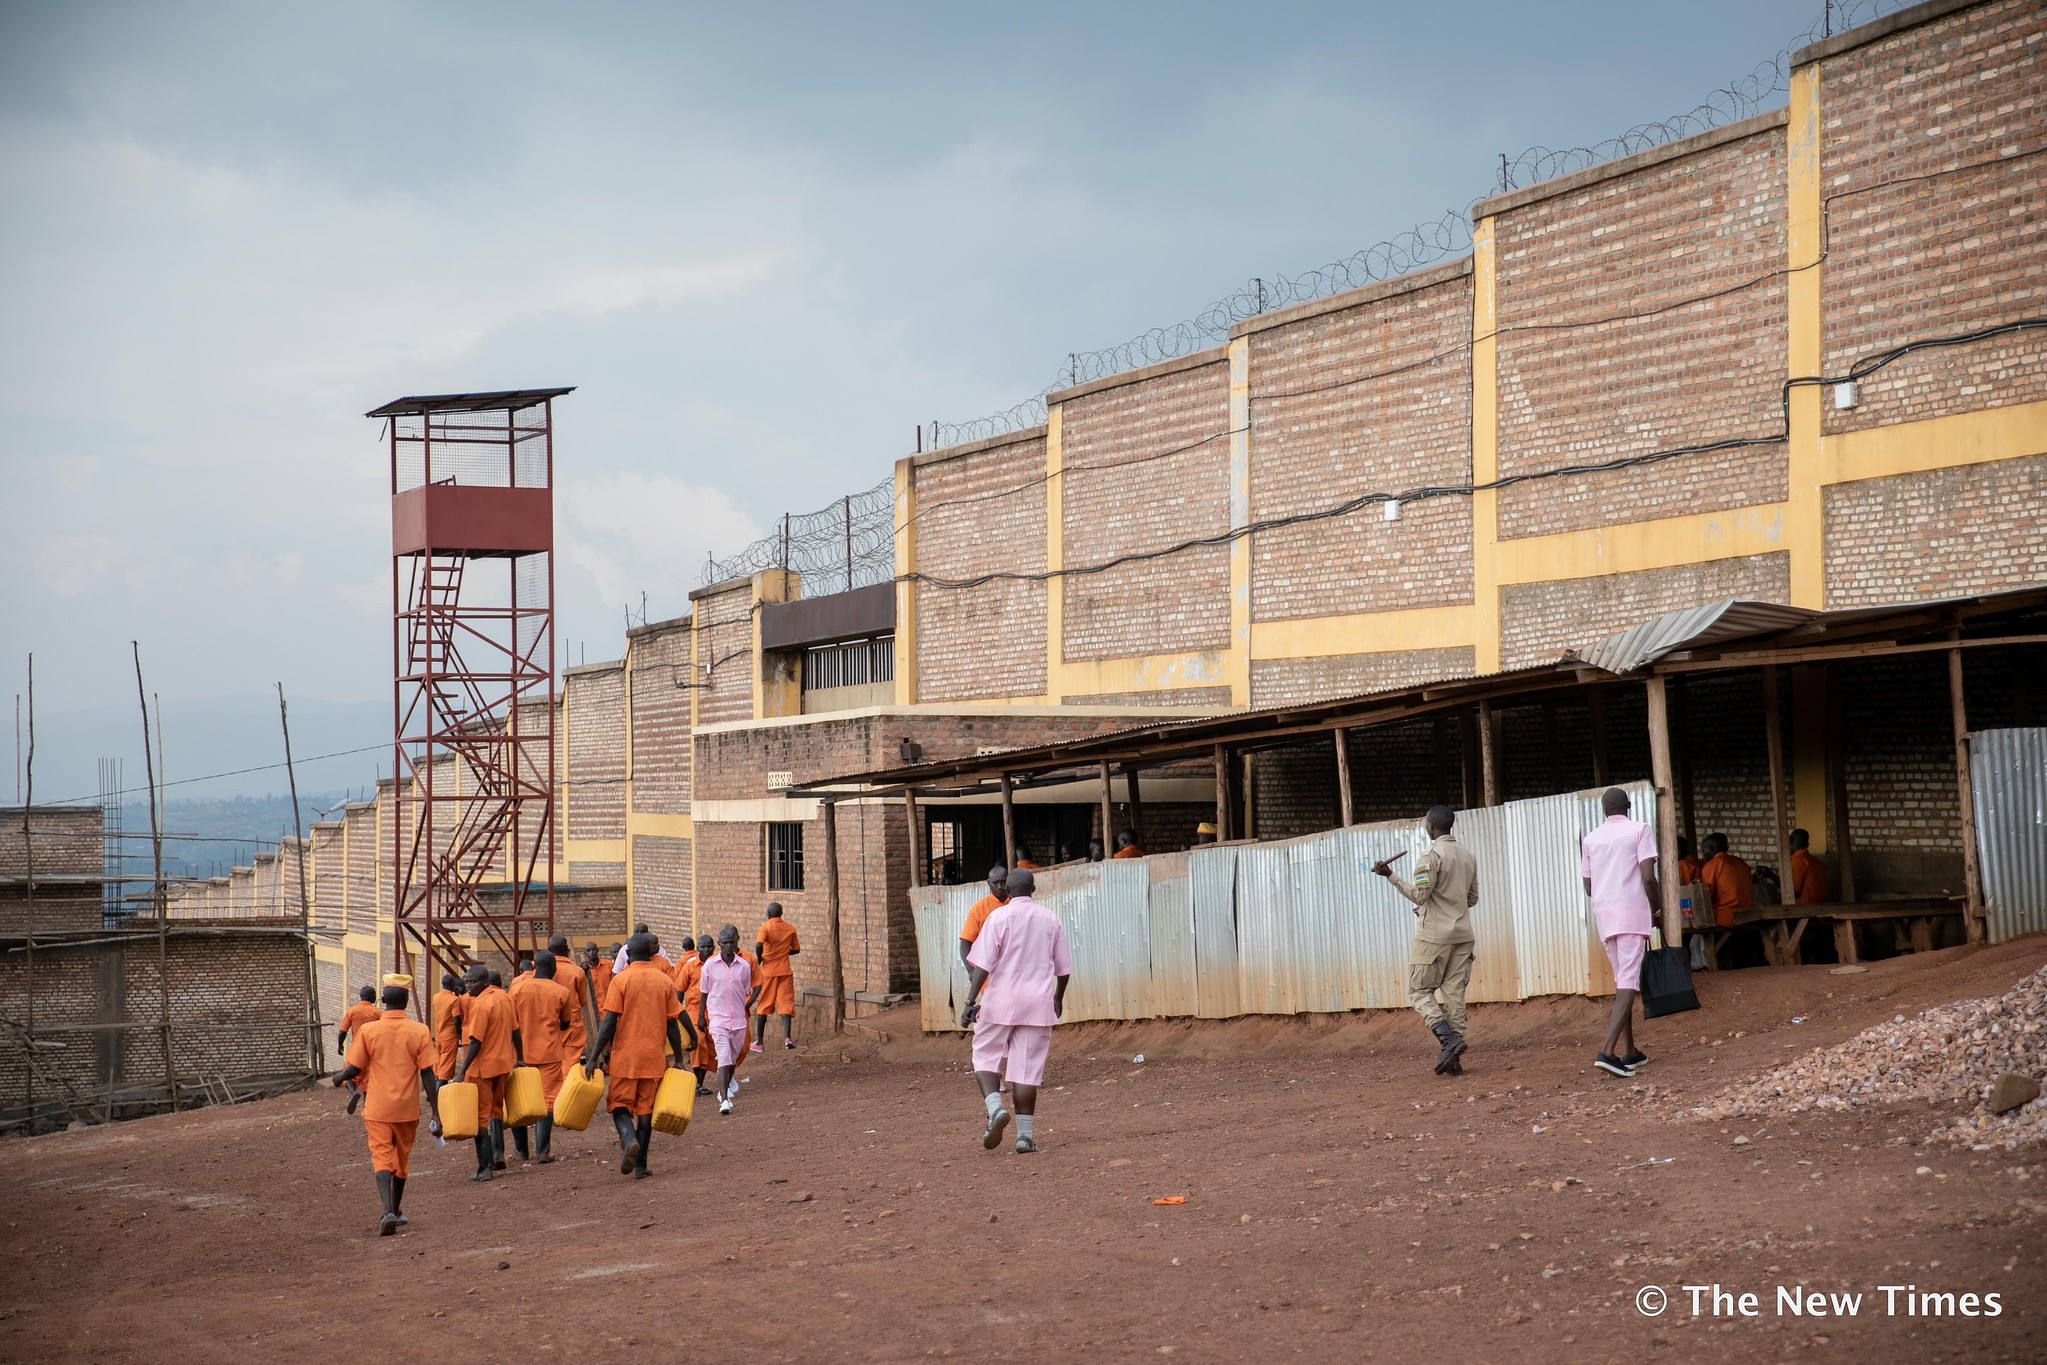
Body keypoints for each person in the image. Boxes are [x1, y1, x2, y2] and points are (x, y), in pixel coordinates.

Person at [959, 868, 1071, 1155]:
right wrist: (1058, 998)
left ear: (1007, 890)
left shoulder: (998, 917)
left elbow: (982, 965)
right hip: (1038, 1005)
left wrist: (970, 1001)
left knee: (985, 1054)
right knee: (1026, 1071)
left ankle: (995, 1108)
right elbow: (1063, 969)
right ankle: (1024, 1137)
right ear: (1033, 889)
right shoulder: (1051, 919)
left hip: (1000, 1002)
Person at [1373, 804, 1480, 1076]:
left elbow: (1420, 895)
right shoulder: (1467, 855)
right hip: (1463, 934)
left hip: (1434, 936)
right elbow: (1471, 899)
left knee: (1418, 992)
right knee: (1454, 994)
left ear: (1431, 826)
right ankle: (1453, 1060)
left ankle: (1448, 1040)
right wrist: (1437, 904)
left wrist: (1391, 876)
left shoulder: (1430, 856)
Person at [331, 973, 438, 1236]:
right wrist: (437, 1111)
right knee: (401, 1159)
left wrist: (339, 1077)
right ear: (405, 1003)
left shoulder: (369, 1031)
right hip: (407, 1108)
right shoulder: (420, 1031)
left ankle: (387, 1210)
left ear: (383, 1000)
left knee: (381, 1156)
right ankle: (397, 1211)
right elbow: (428, 1074)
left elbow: (354, 1066)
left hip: (378, 1107)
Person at [585, 933, 693, 1178]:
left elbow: (609, 1021)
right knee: (646, 1110)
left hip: (625, 1057)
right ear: (652, 954)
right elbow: (672, 1024)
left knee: (619, 1104)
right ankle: (641, 1165)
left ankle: (628, 1137)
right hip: (654, 1057)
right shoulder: (664, 982)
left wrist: (594, 1056)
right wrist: (677, 1058)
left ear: (628, 955)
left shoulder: (620, 981)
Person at [1580, 788, 1660, 1078]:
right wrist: (1659, 909)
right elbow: (1649, 877)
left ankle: (1630, 1051)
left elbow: (1589, 887)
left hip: (1605, 915)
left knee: (1622, 980)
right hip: (1631, 912)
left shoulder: (1590, 839)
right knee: (1628, 980)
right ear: (1629, 805)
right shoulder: (1640, 829)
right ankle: (1607, 1051)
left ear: (1604, 811)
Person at [452, 963, 523, 1181]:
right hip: (502, 1065)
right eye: (466, 982)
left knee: (480, 1119)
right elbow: (515, 1030)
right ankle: (497, 1153)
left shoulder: (480, 1005)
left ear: (484, 982)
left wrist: (461, 1072)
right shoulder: (504, 997)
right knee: (496, 1111)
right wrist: (519, 1057)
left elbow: (475, 1042)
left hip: (482, 1069)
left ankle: (485, 1167)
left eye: (472, 982)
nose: (468, 986)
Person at [507, 951, 575, 1163]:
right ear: (553, 968)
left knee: (518, 1100)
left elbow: (510, 1022)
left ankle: (520, 1151)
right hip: (549, 1052)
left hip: (520, 1054)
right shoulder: (561, 992)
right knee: (548, 1100)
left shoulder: (517, 988)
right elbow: (565, 1023)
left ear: (535, 967)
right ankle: (543, 1151)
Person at [700, 925, 755, 1115]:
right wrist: (701, 1017)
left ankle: (726, 1087)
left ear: (737, 942)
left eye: (731, 942)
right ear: (719, 944)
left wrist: (746, 1008)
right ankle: (724, 1099)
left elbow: (746, 990)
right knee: (722, 1056)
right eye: (724, 943)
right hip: (718, 1019)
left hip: (738, 1020)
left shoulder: (744, 966)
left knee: (731, 1059)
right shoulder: (709, 966)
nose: (728, 946)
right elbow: (704, 993)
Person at [546, 932, 600, 1071]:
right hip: (571, 1023)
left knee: (550, 1064)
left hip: (548, 1022)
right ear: (567, 950)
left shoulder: (541, 969)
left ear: (549, 950)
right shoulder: (576, 971)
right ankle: (566, 1091)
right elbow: (583, 1001)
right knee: (569, 1063)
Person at [752, 903, 801, 1053]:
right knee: (785, 1005)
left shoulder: (765, 928)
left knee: (764, 1006)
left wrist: (760, 958)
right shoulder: (790, 928)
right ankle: (787, 1038)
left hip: (768, 973)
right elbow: (797, 949)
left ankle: (759, 1042)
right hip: (785, 972)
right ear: (782, 913)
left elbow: (759, 945)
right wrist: (784, 953)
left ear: (768, 914)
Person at [672, 936, 717, 1093]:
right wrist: (677, 1013)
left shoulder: (718, 963)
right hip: (693, 1011)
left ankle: (700, 1082)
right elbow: (680, 990)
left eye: (709, 947)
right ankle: (697, 1083)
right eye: (703, 947)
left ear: (713, 947)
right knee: (699, 1043)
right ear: (698, 948)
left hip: (714, 1011)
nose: (706, 950)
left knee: (710, 1046)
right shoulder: (689, 966)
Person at [336, 985, 380, 1114]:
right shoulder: (377, 1013)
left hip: (356, 1050)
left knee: (348, 1075)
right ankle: (366, 1108)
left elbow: (342, 1031)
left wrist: (340, 1045)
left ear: (361, 996)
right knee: (368, 1080)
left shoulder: (352, 1011)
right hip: (372, 1051)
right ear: (372, 997)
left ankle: (353, 1092)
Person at [958, 867, 1010, 970]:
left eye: (1003, 882)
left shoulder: (1015, 905)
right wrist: (971, 971)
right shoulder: (979, 908)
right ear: (988, 883)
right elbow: (965, 942)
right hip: (987, 972)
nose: (999, 886)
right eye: (995, 883)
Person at [1698, 832, 1754, 928]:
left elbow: (1705, 897)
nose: (1703, 855)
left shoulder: (1713, 865)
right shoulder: (1741, 862)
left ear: (1709, 849)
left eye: (1703, 851)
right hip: (1748, 917)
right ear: (1727, 848)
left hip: (1725, 919)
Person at [428, 972, 467, 1083]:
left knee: (438, 1065)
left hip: (438, 1034)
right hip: (449, 1036)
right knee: (446, 1067)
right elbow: (456, 1020)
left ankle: (433, 1093)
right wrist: (459, 1033)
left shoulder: (436, 997)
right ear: (452, 984)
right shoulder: (454, 1000)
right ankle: (439, 1094)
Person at [1789, 829, 1829, 906]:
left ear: (1790, 840)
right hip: (1819, 907)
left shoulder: (1797, 860)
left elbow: (1794, 892)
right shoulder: (1818, 862)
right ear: (1807, 845)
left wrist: (1771, 876)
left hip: (1803, 909)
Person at [586, 941, 614, 1009]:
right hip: (593, 1010)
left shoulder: (609, 965)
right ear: (585, 953)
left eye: (593, 949)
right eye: (588, 950)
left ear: (597, 950)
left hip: (609, 1007)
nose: (591, 952)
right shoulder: (584, 970)